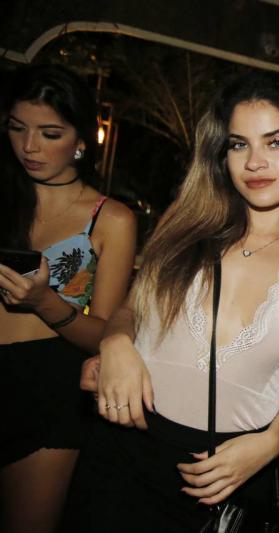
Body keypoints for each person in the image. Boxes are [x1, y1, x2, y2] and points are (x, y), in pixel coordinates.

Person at [62, 71, 279, 532]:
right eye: (239, 145)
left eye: (276, 142)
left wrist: (272, 442)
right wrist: (115, 345)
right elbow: (131, 310)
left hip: (230, 471)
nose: (255, 162)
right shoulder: (186, 226)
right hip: (125, 454)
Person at [0, 64, 136, 533]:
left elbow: (105, 336)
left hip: (47, 388)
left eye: (49, 133)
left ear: (81, 139)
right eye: (17, 128)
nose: (29, 146)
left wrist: (45, 302)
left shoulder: (111, 219)